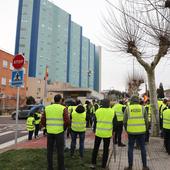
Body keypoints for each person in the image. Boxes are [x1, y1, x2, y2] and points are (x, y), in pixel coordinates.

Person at [42, 94, 69, 170]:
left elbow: (43, 120)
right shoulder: (63, 108)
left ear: (54, 100)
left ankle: (50, 167)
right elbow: (67, 121)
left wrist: (47, 127)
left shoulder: (47, 108)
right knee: (60, 151)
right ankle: (61, 168)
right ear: (60, 100)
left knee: (49, 151)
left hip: (50, 132)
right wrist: (63, 128)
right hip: (59, 132)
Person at [124, 95, 149, 170]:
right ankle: (144, 166)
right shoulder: (142, 108)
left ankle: (130, 166)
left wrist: (127, 129)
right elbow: (146, 121)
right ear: (138, 101)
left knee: (130, 148)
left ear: (131, 101)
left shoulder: (127, 109)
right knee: (143, 148)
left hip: (131, 132)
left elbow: (124, 121)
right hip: (141, 132)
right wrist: (145, 129)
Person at [90, 99, 116, 169]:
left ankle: (93, 163)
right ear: (108, 103)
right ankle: (104, 165)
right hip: (107, 133)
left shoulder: (98, 111)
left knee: (96, 148)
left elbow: (94, 122)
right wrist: (113, 132)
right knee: (105, 149)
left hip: (98, 133)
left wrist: (94, 130)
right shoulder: (112, 111)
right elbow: (115, 124)